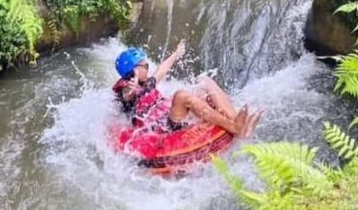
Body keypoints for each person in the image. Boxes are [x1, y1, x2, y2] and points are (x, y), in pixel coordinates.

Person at [112, 42, 262, 138]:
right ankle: (233, 127)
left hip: (166, 115)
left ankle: (235, 118)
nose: (147, 67)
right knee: (181, 96)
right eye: (144, 65)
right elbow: (127, 96)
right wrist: (132, 92)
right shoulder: (127, 90)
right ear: (134, 70)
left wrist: (176, 54)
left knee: (204, 81)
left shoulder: (147, 82)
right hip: (161, 129)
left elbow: (162, 70)